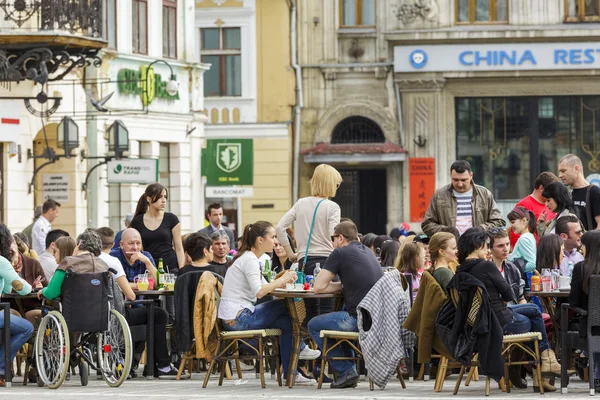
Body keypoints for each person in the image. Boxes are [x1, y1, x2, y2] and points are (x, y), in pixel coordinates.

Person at [456, 227, 561, 392]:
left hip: (482, 321)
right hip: (500, 322)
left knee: (534, 310)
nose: (487, 250)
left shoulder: (460, 270)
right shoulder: (486, 266)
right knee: (534, 318)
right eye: (486, 246)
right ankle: (545, 363)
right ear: (477, 246)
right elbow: (507, 294)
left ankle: (538, 365)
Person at [218, 221, 320, 385]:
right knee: (287, 305)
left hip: (236, 316)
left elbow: (265, 286)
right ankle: (301, 348)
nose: (274, 241)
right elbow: (260, 291)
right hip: (239, 319)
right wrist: (285, 278)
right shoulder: (249, 259)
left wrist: (281, 281)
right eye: (272, 237)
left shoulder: (249, 258)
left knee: (287, 323)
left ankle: (291, 374)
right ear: (260, 240)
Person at [308, 220, 383, 389]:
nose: (332, 242)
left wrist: (337, 285)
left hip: (360, 321)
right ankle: (349, 371)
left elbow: (318, 287)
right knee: (338, 318)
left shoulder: (340, 253)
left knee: (313, 325)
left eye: (332, 238)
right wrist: (342, 285)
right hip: (378, 319)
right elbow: (348, 283)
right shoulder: (368, 252)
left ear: (340, 238)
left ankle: (346, 371)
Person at [95, 228, 177, 379]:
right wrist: (140, 283)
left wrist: (146, 262)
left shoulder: (145, 256)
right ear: (121, 244)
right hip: (118, 309)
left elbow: (158, 283)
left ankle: (153, 365)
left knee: (157, 314)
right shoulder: (113, 257)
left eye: (138, 243)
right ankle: (158, 365)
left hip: (137, 306)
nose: (135, 247)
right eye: (131, 243)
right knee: (157, 315)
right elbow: (118, 285)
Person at [276, 163, 342, 326]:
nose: (337, 187)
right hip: (327, 263)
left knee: (311, 312)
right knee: (327, 312)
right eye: (336, 183)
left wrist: (291, 253)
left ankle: (306, 347)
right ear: (329, 183)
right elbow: (335, 236)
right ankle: (325, 349)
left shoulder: (301, 203)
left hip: (304, 263)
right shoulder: (332, 207)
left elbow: (279, 228)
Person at [422, 160, 505, 237]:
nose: (460, 184)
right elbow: (427, 225)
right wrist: (446, 231)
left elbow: (499, 222)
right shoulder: (439, 195)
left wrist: (481, 229)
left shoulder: (485, 194)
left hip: (478, 247)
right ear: (451, 176)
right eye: (455, 180)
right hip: (448, 249)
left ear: (471, 175)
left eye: (463, 180)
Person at [0, 224, 34, 387]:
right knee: (26, 328)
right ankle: (0, 369)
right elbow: (23, 289)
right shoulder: (1, 262)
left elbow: (5, 289)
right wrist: (11, 262)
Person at [130, 183, 184, 274]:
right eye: (160, 197)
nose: (164, 200)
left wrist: (182, 270)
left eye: (165, 197)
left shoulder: (171, 219)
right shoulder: (137, 221)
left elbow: (179, 248)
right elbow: (138, 248)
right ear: (149, 199)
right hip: (148, 267)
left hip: (170, 267)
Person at [568, 230, 600, 385]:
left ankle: (596, 375)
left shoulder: (581, 268)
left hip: (591, 326)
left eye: (582, 244)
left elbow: (573, 301)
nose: (581, 248)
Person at [510, 172, 559, 248]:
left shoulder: (552, 205)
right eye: (551, 191)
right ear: (541, 188)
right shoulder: (524, 205)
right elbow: (515, 235)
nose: (553, 194)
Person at [558, 154, 600, 231]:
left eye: (563, 171)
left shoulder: (594, 192)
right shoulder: (568, 194)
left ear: (576, 169)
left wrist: (589, 241)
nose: (560, 175)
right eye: (559, 172)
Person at [507, 206, 537, 273]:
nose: (511, 225)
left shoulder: (524, 239)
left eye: (513, 222)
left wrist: (513, 269)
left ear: (524, 220)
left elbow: (532, 264)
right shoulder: (529, 236)